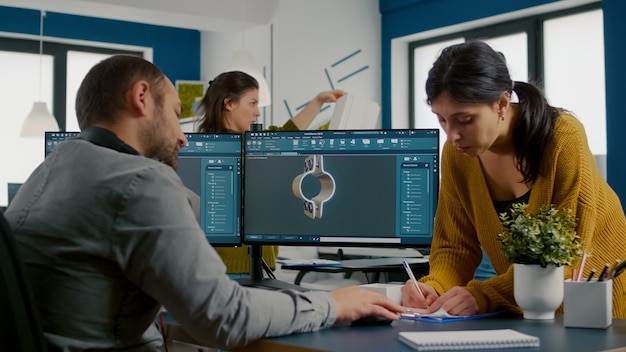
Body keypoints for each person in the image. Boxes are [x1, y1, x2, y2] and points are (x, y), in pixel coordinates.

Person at [4, 55, 403, 351]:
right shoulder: (140, 179)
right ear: (142, 97)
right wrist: (331, 304)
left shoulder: (47, 171)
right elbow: (225, 318)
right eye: (177, 114)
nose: (183, 137)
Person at [401, 40, 626, 318]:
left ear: (502, 103)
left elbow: (567, 256)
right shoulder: (457, 154)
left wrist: (483, 294)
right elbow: (455, 247)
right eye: (442, 120)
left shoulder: (563, 138)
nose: (452, 135)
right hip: (529, 305)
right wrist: (434, 287)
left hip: (600, 297)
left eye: (465, 120)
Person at [195, 70, 345, 277]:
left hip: (257, 265)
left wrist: (318, 101)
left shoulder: (250, 144)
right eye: (252, 103)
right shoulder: (218, 149)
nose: (257, 112)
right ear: (229, 104)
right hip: (231, 269)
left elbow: (287, 132)